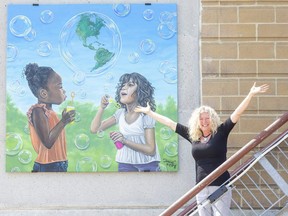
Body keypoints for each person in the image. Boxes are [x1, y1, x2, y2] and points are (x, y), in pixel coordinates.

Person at [134, 82, 269, 215]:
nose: (204, 121)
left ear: (212, 119)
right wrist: (150, 113)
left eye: (207, 118)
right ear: (197, 121)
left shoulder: (221, 132)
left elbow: (237, 114)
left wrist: (250, 94)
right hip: (201, 187)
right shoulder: (193, 136)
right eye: (201, 119)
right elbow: (170, 123)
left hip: (220, 185)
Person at [90, 72, 161, 172]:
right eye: (122, 85)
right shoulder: (120, 113)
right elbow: (94, 129)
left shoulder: (146, 115)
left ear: (140, 91)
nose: (123, 88)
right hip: (125, 164)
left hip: (147, 164)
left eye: (130, 85)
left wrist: (124, 141)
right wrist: (102, 108)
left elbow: (151, 150)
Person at [24, 63, 75, 172]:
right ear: (43, 93)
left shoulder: (50, 112)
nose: (64, 91)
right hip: (47, 165)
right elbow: (47, 142)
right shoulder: (38, 111)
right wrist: (63, 121)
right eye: (60, 86)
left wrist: (63, 120)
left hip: (59, 163)